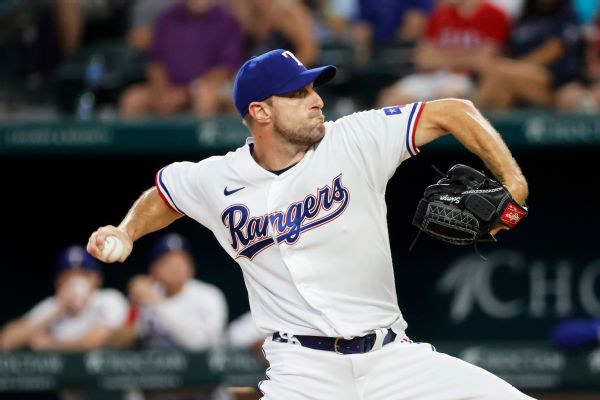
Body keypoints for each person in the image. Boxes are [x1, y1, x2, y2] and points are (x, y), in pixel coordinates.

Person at [88, 49, 531, 399]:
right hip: (303, 374)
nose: (317, 99)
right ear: (260, 112)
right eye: (299, 94)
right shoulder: (216, 177)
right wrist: (126, 231)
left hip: (393, 361)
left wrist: (514, 183)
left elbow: (454, 111)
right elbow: (164, 195)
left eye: (313, 88)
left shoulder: (354, 138)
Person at [119, 0, 243, 118]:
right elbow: (155, 61)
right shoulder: (166, 18)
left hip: (205, 88)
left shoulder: (227, 21)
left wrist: (185, 93)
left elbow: (225, 68)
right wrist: (161, 90)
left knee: (205, 98)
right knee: (132, 100)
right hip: (168, 87)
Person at [376, 0, 511, 107]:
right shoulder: (441, 13)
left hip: (467, 78)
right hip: (431, 76)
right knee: (389, 98)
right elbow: (422, 60)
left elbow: (484, 62)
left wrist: (440, 56)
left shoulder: (495, 13)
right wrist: (467, 56)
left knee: (446, 98)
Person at [0, 245, 127, 351]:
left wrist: (50, 346)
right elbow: (5, 342)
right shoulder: (52, 305)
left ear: (97, 279)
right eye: (68, 275)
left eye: (83, 274)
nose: (75, 281)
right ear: (58, 281)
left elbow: (96, 340)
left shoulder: (108, 299)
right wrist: (58, 308)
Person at [113, 233, 228, 350]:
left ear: (191, 267)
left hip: (199, 367)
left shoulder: (208, 296)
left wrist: (157, 305)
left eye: (181, 262)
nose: (175, 269)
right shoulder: (147, 294)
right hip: (154, 366)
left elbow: (202, 344)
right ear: (154, 269)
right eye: (167, 263)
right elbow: (118, 342)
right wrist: (134, 308)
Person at [475, 0, 582, 111]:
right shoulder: (527, 14)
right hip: (516, 74)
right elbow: (508, 48)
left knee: (499, 72)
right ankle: (494, 125)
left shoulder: (565, 13)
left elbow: (553, 50)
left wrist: (512, 66)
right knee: (501, 93)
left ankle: (471, 119)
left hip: (551, 80)